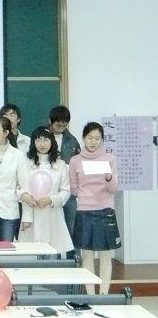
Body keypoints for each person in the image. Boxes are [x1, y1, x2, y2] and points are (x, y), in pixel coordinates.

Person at [69, 122, 120, 295]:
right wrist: (86, 196)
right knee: (87, 255)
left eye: (98, 138)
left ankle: (104, 295)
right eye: (90, 138)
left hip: (105, 210)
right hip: (84, 211)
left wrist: (108, 177)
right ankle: (91, 295)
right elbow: (74, 188)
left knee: (105, 255)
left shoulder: (109, 158)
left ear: (102, 140)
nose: (93, 142)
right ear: (84, 138)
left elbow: (113, 189)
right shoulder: (75, 160)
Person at [18, 126, 73, 254]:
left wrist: (51, 200)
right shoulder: (26, 162)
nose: (42, 144)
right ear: (33, 142)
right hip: (31, 214)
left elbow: (66, 191)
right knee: (31, 254)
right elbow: (18, 186)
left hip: (52, 214)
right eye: (38, 140)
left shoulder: (60, 165)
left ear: (52, 142)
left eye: (45, 140)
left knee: (53, 252)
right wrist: (24, 196)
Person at [48, 105, 81, 246]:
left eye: (64, 125)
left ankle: (73, 256)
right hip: (47, 190)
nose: (61, 128)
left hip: (68, 189)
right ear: (50, 121)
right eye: (58, 125)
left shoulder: (72, 140)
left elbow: (79, 164)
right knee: (50, 229)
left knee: (71, 226)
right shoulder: (42, 137)